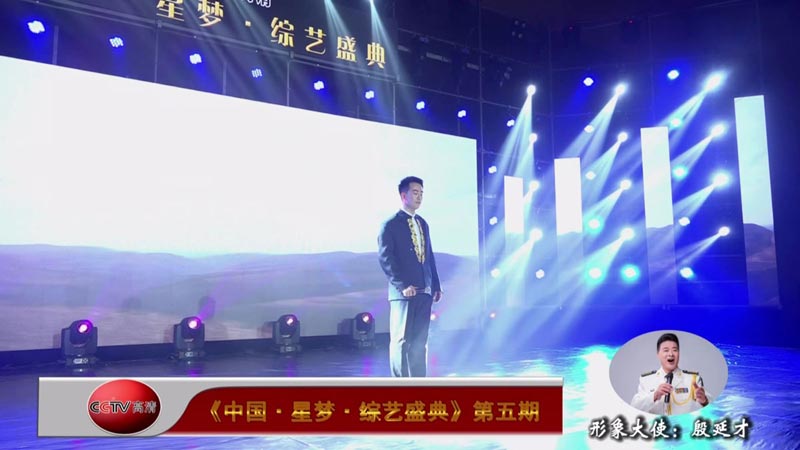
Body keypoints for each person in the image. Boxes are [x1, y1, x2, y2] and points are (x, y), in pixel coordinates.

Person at [378, 176, 442, 377]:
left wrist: (436, 285)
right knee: (401, 341)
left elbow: (429, 256)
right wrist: (402, 285)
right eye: (415, 192)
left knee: (420, 342)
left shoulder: (423, 223)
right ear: (403, 195)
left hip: (424, 291)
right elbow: (386, 259)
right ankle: (400, 384)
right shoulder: (390, 224)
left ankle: (419, 384)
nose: (419, 197)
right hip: (403, 294)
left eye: (421, 193)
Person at [631, 333, 712, 415]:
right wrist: (654, 395)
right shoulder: (646, 380)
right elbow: (634, 407)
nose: (671, 354)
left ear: (679, 353)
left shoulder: (693, 379)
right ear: (658, 354)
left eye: (674, 350)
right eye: (666, 350)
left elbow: (712, 409)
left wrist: (704, 401)